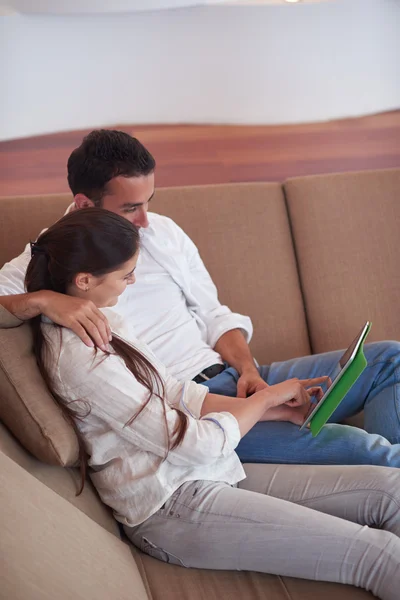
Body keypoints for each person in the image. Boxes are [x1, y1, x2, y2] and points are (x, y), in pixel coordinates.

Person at [19, 207, 400, 600]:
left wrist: (271, 408)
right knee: (382, 556)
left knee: (393, 490)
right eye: (125, 275)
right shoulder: (79, 357)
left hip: (211, 470)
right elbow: (191, 442)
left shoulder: (106, 319)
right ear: (83, 280)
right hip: (172, 507)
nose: (132, 282)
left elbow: (176, 391)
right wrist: (265, 397)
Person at [1, 129, 400, 468]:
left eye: (148, 203)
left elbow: (212, 314)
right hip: (196, 409)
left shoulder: (164, 233)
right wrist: (45, 301)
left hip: (237, 378)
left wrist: (247, 370)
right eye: (131, 208)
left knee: (389, 360)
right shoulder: (42, 265)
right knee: (372, 454)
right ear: (86, 205)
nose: (144, 221)